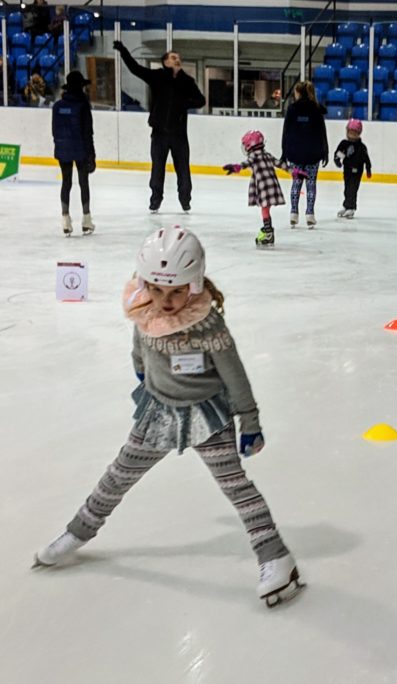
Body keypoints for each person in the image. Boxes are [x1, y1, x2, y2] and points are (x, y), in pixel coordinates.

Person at [33, 226, 302, 607]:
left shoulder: (208, 324)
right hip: (158, 412)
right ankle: (78, 532)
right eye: (158, 289)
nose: (166, 300)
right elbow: (140, 345)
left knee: (236, 488)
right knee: (118, 476)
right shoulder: (144, 307)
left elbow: (234, 373)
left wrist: (250, 420)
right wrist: (142, 372)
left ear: (193, 283)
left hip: (207, 417)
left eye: (176, 291)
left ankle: (276, 557)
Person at [112, 41, 206, 213]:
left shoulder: (187, 81)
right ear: (165, 62)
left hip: (179, 133)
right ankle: (155, 200)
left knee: (183, 168)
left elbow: (201, 100)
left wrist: (183, 104)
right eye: (173, 57)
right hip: (159, 132)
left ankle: (185, 200)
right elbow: (135, 69)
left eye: (178, 57)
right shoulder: (157, 77)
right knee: (157, 167)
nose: (177, 59)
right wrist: (124, 51)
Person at [222, 129, 301, 248]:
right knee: (266, 209)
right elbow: (281, 164)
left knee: (264, 209)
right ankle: (267, 230)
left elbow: (246, 164)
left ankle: (268, 232)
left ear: (250, 145)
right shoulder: (267, 154)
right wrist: (294, 172)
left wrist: (236, 167)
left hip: (264, 187)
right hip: (271, 185)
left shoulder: (254, 156)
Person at [51, 70, 96, 235]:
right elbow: (87, 132)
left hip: (62, 148)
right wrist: (92, 154)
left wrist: (60, 145)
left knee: (66, 182)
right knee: (83, 182)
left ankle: (65, 218)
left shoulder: (57, 107)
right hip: (81, 149)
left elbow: (54, 131)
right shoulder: (83, 106)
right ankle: (86, 218)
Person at [281, 81, 328, 229]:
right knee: (311, 183)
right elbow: (322, 132)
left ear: (298, 92)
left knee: (296, 182)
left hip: (295, 152)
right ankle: (310, 214)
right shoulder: (316, 109)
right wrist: (325, 151)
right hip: (313, 152)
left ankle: (293, 213)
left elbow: (286, 132)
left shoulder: (292, 109)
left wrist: (284, 152)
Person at [333, 118, 372, 219]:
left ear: (358, 133)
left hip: (357, 171)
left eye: (354, 133)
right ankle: (346, 206)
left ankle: (352, 207)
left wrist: (368, 169)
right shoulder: (344, 144)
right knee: (346, 189)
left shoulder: (361, 147)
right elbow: (339, 153)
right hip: (347, 170)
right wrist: (337, 160)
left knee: (353, 189)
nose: (351, 135)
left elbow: (366, 159)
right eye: (349, 132)